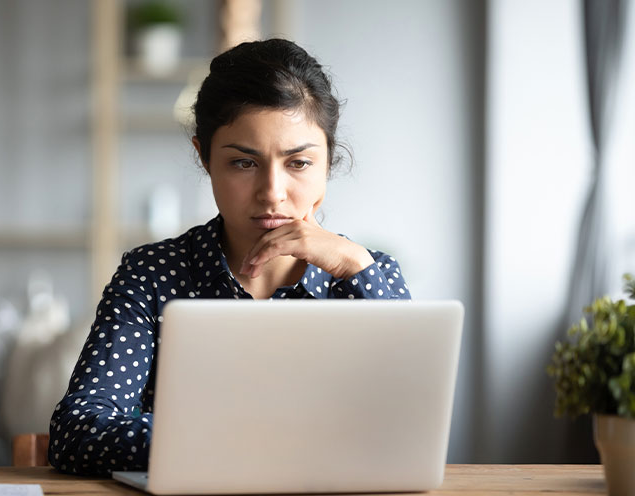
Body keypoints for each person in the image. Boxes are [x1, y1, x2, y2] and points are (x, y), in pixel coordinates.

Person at [49, 38, 411, 475]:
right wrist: (252, 441)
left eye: (298, 163)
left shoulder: (369, 273)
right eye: (244, 163)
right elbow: (77, 433)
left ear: (328, 162)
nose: (272, 193)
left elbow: (409, 426)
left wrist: (354, 267)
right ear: (204, 158)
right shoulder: (153, 275)